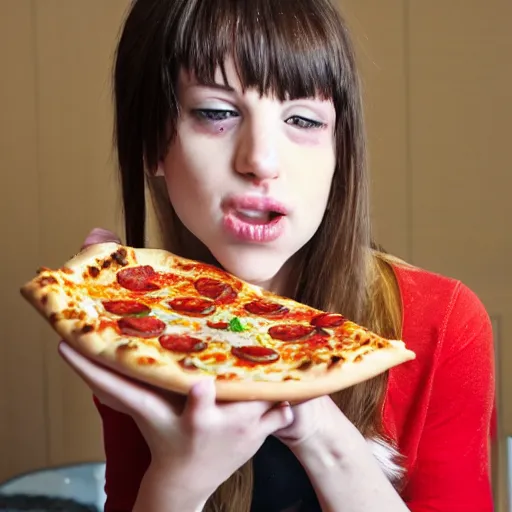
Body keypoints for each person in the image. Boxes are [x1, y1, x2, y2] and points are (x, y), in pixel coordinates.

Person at [57, 0, 495, 511]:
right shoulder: (145, 322)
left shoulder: (442, 324)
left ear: (339, 152)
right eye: (217, 113)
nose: (261, 160)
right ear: (152, 143)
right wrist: (178, 481)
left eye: (304, 120)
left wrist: (315, 423)